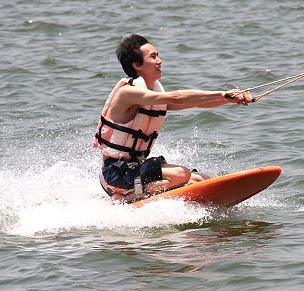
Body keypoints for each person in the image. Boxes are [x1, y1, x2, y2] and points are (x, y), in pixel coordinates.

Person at [93, 34, 253, 203]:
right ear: (136, 65)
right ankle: (126, 198)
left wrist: (229, 99)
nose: (159, 61)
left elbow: (197, 102)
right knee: (180, 174)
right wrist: (222, 93)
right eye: (153, 57)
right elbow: (176, 97)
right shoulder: (128, 93)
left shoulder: (153, 95)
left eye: (158, 55)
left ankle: (149, 193)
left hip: (135, 168)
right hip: (115, 173)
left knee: (200, 179)